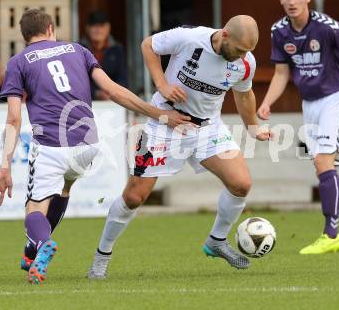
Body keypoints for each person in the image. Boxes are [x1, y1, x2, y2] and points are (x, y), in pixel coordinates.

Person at [0, 9, 191, 285]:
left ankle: (41, 243)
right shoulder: (78, 50)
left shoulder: (18, 62)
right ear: (50, 28)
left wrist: (4, 167)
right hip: (88, 145)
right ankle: (33, 249)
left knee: (34, 208)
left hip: (50, 146)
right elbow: (114, 90)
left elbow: (14, 116)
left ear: (26, 37)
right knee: (66, 186)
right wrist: (159, 115)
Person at [87, 15, 271, 279]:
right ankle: (101, 257)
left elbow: (244, 95)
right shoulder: (190, 37)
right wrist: (162, 84)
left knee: (241, 183)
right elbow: (148, 45)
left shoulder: (245, 63)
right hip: (164, 122)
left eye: (248, 52)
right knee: (133, 197)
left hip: (207, 128)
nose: (243, 57)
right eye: (240, 50)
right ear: (225, 35)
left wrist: (253, 127)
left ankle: (216, 241)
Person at [257, 0, 339, 254]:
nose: (292, 1)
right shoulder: (279, 31)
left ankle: (331, 234)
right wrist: (267, 102)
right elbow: (282, 73)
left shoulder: (327, 27)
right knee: (325, 169)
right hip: (309, 103)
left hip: (336, 97)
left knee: (324, 164)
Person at [80, 11, 127, 100]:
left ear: (108, 28)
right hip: (84, 101)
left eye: (101, 26)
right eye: (94, 26)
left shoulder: (117, 49)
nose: (98, 30)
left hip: (113, 100)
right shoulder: (78, 49)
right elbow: (76, 80)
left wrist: (112, 92)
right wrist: (95, 93)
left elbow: (122, 77)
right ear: (87, 28)